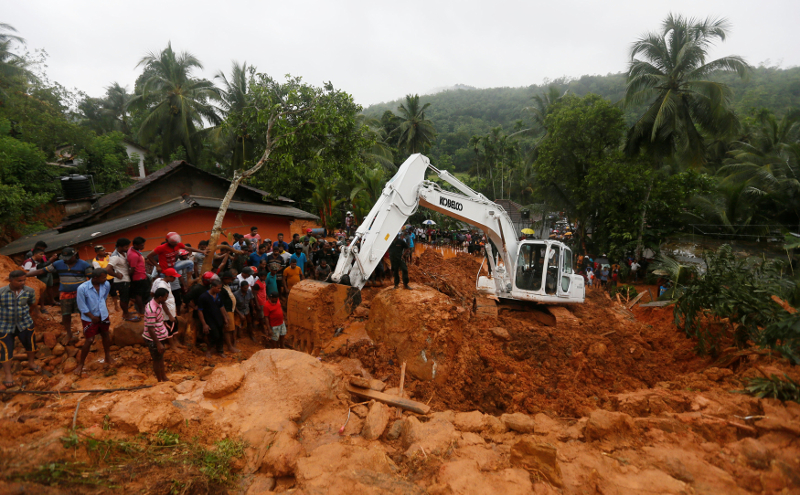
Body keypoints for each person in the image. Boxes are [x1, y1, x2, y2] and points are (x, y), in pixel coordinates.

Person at [26, 247, 92, 346]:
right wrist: (24, 275)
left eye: (69, 257)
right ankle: (69, 333)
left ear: (74, 255)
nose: (67, 260)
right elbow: (41, 271)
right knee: (65, 314)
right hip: (65, 293)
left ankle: (88, 333)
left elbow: (92, 279)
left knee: (84, 313)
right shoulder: (58, 264)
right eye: (65, 257)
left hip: (81, 293)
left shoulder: (84, 265)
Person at [1, 270, 40, 387]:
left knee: (30, 344)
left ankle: (31, 363)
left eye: (24, 280)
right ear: (11, 280)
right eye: (19, 281)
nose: (22, 282)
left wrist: (25, 315)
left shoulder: (29, 291)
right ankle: (8, 374)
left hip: (25, 323)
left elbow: (32, 304)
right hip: (5, 326)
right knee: (6, 349)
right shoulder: (1, 293)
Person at [74, 269, 114, 377]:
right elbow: (81, 305)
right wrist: (92, 316)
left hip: (103, 315)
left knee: (105, 334)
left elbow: (103, 299)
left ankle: (107, 356)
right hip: (89, 318)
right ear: (95, 278)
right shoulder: (82, 288)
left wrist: (101, 312)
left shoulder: (106, 284)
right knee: (89, 340)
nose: (105, 279)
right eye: (103, 277)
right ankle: (81, 364)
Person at [150, 268, 182, 352]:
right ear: (168, 276)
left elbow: (152, 292)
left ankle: (176, 342)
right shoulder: (162, 286)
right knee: (168, 328)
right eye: (173, 277)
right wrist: (170, 315)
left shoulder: (159, 280)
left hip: (170, 309)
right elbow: (162, 302)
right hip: (166, 312)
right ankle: (172, 345)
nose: (174, 279)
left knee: (174, 325)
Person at [144, 287, 171, 382]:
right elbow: (150, 328)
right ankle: (159, 380)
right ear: (160, 297)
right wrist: (158, 343)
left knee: (160, 357)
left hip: (159, 336)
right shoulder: (152, 309)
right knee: (156, 359)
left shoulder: (157, 303)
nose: (166, 299)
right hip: (154, 338)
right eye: (165, 297)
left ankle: (163, 377)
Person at [197, 279, 228, 358]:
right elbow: (200, 311)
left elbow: (221, 306)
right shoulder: (203, 297)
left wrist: (225, 317)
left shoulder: (219, 295)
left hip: (219, 318)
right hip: (209, 320)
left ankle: (220, 351)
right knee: (214, 335)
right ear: (213, 287)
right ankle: (209, 350)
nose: (220, 290)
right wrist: (204, 324)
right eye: (218, 288)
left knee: (221, 335)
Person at [220, 271, 241, 353]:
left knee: (231, 328)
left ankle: (232, 344)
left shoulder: (227, 286)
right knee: (227, 330)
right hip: (227, 311)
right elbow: (221, 303)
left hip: (231, 310)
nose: (231, 281)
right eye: (229, 280)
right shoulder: (221, 288)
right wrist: (225, 315)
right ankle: (229, 346)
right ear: (225, 279)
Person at [127, 237, 149, 316]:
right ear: (136, 245)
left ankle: (142, 309)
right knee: (139, 295)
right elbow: (132, 269)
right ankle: (141, 310)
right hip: (138, 277)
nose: (143, 247)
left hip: (141, 275)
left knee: (141, 294)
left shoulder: (133, 250)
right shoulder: (134, 255)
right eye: (141, 245)